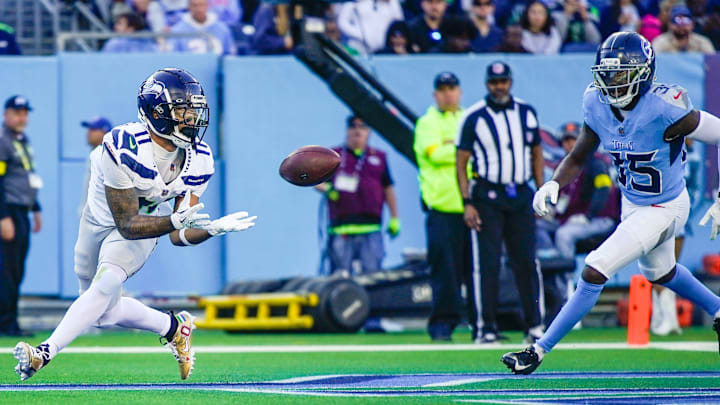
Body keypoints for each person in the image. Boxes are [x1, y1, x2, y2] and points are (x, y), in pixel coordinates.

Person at [13, 68, 257, 381]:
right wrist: (170, 219)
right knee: (105, 314)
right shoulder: (124, 145)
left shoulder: (200, 158)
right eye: (181, 110)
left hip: (144, 227)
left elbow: (179, 236)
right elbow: (127, 222)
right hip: (105, 222)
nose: (191, 119)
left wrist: (212, 229)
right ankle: (173, 327)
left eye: (193, 110)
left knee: (107, 283)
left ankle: (43, 353)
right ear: (156, 113)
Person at [502, 32, 720, 375]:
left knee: (595, 267)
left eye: (621, 75)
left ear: (644, 73)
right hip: (633, 203)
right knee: (660, 272)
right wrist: (554, 182)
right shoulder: (596, 102)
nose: (612, 83)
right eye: (607, 74)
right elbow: (580, 152)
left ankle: (538, 349)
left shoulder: (666, 107)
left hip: (667, 205)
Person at [456, 61, 546, 344]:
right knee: (487, 264)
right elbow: (460, 163)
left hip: (520, 194)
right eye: (495, 82)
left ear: (510, 82)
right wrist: (467, 202)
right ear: (487, 84)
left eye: (503, 81)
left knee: (527, 262)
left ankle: (535, 326)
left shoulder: (526, 112)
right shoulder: (474, 117)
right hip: (487, 196)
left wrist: (541, 191)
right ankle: (485, 327)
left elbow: (536, 154)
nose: (499, 87)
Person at [414, 72, 476, 341]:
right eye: (443, 89)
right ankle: (442, 325)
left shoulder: (469, 118)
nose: (448, 94)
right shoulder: (427, 122)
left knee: (476, 270)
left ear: (459, 91)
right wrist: (463, 150)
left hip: (472, 205)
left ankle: (483, 325)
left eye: (452, 88)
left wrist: (452, 146)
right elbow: (435, 155)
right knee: (445, 272)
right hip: (442, 207)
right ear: (435, 94)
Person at [316, 115, 399, 275]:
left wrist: (395, 217)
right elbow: (314, 179)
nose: (357, 131)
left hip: (371, 228)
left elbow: (388, 188)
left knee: (373, 276)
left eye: (362, 127)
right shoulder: (334, 155)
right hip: (342, 229)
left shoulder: (379, 157)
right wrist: (329, 189)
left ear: (369, 132)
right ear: (347, 130)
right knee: (340, 278)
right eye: (353, 126)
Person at [0, 96, 42, 336]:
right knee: (7, 270)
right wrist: (3, 217)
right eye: (17, 112)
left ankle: (9, 321)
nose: (22, 117)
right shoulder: (3, 140)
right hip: (9, 212)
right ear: (6, 114)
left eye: (25, 113)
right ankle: (6, 323)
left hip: (22, 211)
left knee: (16, 269)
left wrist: (35, 208)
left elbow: (26, 176)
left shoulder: (21, 140)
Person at [548, 122, 618, 259]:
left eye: (574, 139)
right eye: (566, 140)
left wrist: (588, 216)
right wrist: (550, 210)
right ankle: (547, 278)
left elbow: (603, 190)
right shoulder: (563, 168)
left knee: (564, 235)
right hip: (571, 220)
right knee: (538, 228)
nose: (569, 144)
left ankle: (565, 279)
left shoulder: (597, 163)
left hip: (599, 219)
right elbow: (560, 199)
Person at [337, 0, 404, 54]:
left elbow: (399, 23)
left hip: (383, 48)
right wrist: (360, 35)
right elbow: (342, 22)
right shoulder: (354, 3)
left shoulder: (392, 3)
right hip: (358, 46)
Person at [170, 0, 236, 55]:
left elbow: (230, 55)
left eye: (202, 5)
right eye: (195, 5)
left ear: (208, 6)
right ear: (189, 7)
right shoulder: (177, 30)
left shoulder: (222, 29)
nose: (199, 9)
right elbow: (174, 56)